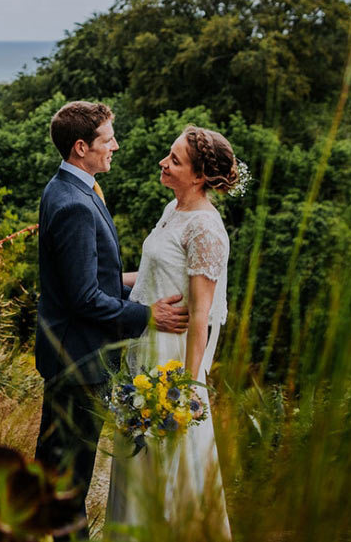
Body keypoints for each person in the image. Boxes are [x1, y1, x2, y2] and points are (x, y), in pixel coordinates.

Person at [35, 101, 190, 540]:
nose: (115, 146)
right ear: (81, 146)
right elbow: (84, 298)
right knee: (69, 479)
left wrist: (136, 281)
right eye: (108, 139)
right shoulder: (76, 205)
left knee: (52, 465)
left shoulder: (67, 188)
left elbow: (84, 277)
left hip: (66, 351)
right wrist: (148, 315)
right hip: (79, 359)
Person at [106, 124, 240, 541]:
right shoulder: (173, 211)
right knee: (136, 457)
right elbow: (148, 277)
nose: (164, 163)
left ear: (199, 177)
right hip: (148, 345)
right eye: (169, 154)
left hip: (172, 358)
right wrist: (93, 284)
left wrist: (185, 387)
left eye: (175, 160)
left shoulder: (205, 229)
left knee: (168, 456)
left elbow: (200, 316)